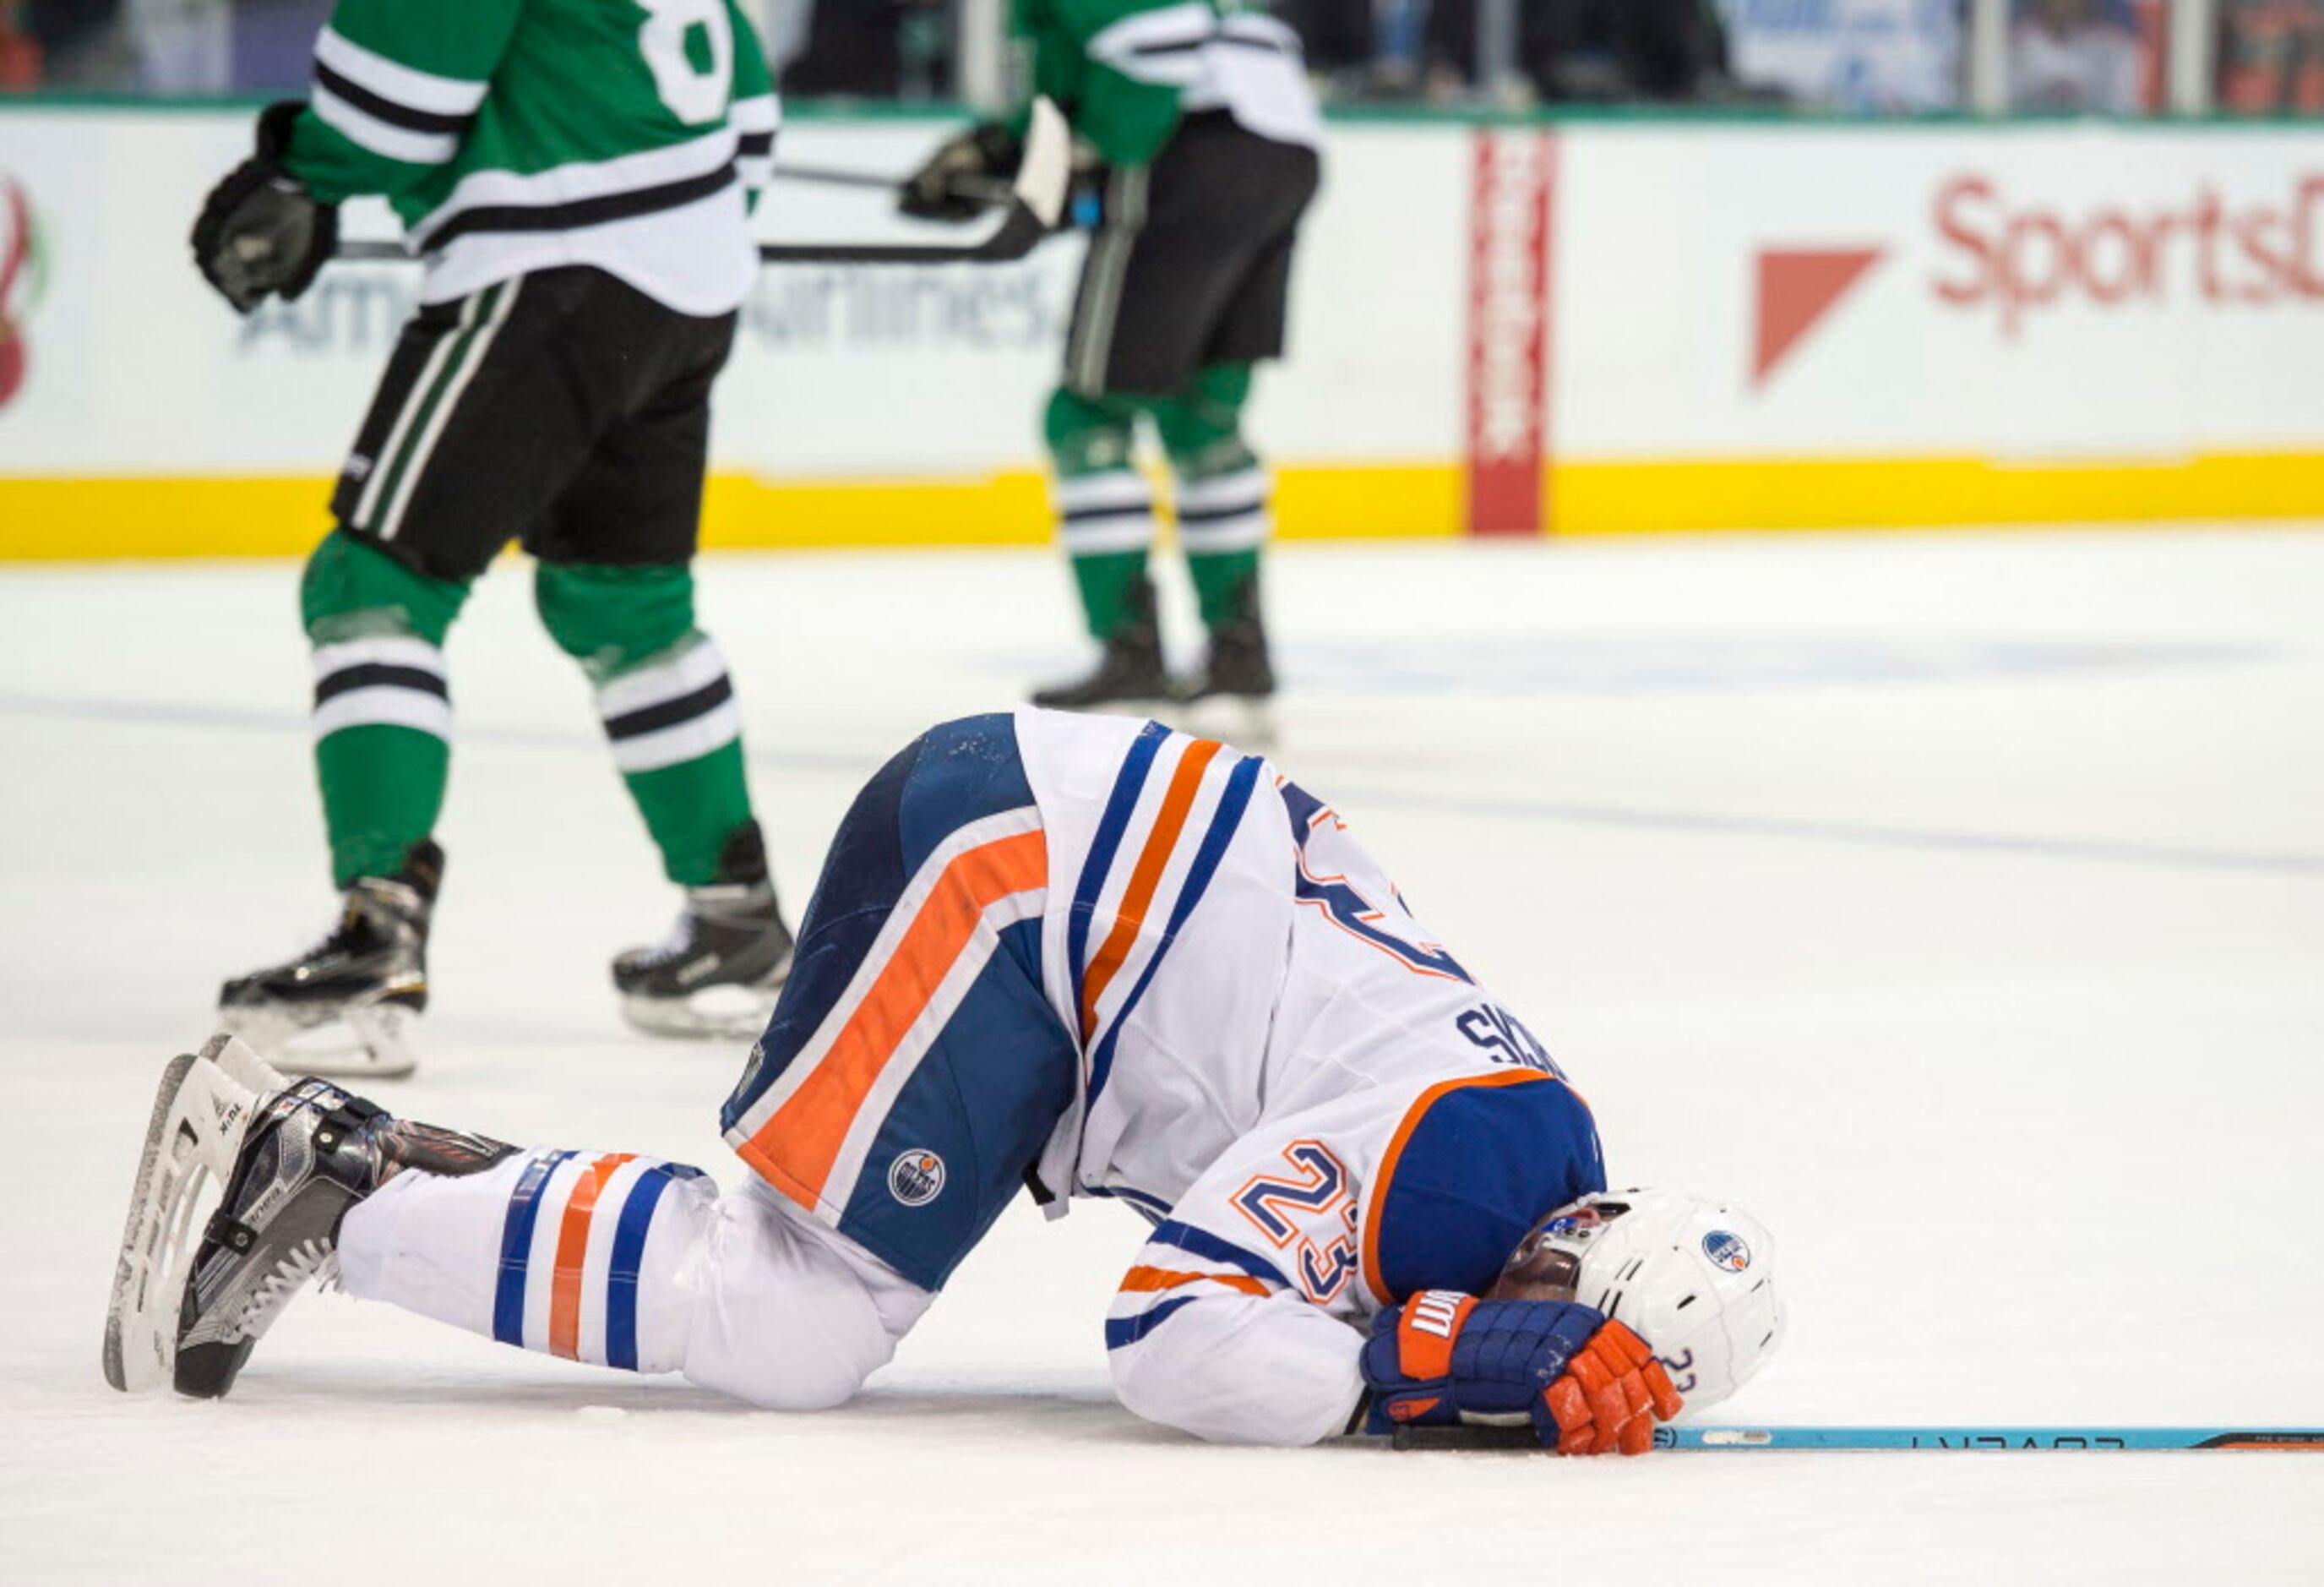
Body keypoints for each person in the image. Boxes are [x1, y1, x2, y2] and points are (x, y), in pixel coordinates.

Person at [107, 710, 1784, 1449]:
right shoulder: (1479, 1174)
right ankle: (328, 1182)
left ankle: (382, 1171)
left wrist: (1416, 1353)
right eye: (1585, 1341)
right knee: (793, 1326)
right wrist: (1395, 1382)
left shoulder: (1515, 1144)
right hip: (1028, 880)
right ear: (1584, 1249)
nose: (1561, 1365)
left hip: (1053, 867)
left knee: (787, 1302)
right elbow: (1173, 1333)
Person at [188, 0, 795, 1076]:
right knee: (626, 605)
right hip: (692, 283)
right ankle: (738, 927)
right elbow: (748, 117)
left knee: (370, 583)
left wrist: (303, 173)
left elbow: (396, 102)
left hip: (548, 263)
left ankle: (375, 941)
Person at [900, 3, 1324, 719]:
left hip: (1182, 144)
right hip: (1285, 150)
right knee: (1202, 415)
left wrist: (1020, 163)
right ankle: (1238, 651)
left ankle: (1130, 652)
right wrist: (1011, 160)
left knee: (1088, 410)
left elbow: (1126, 83)